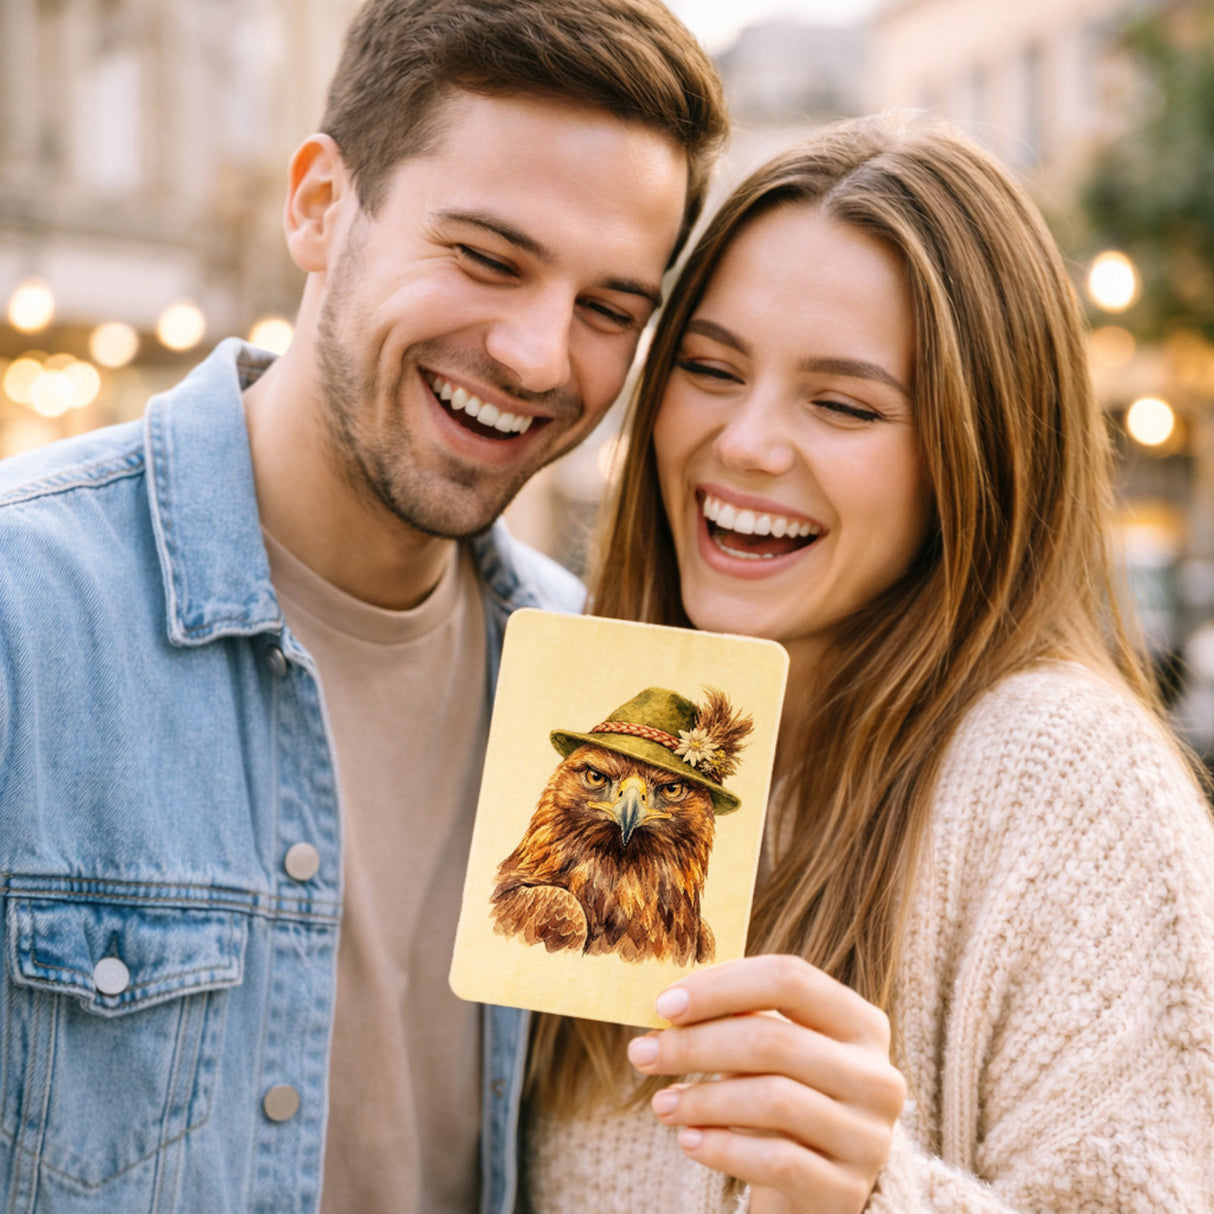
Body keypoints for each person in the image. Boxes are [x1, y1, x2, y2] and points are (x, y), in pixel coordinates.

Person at [0, 3, 727, 1212]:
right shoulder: (26, 610)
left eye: (609, 308)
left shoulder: (611, 695)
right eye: (487, 257)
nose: (541, 355)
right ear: (319, 207)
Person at [522, 114, 1214, 1212]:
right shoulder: (612, 722)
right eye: (707, 367)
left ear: (972, 452)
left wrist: (870, 1193)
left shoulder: (1066, 780)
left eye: (841, 403)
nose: (745, 440)